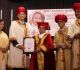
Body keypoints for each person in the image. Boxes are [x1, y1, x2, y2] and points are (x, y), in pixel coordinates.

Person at [68, 3, 80, 70]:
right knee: (76, 63)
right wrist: (75, 35)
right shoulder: (72, 23)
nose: (76, 13)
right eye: (75, 12)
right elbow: (69, 36)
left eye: (78, 11)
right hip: (75, 45)